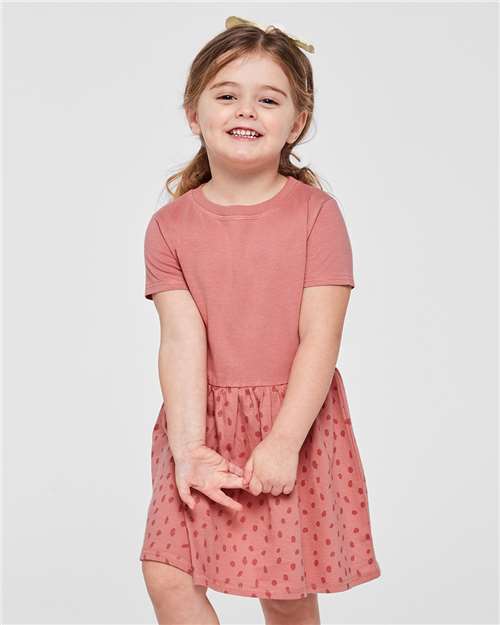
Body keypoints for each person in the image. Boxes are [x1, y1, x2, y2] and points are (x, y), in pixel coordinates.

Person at [139, 15, 381, 625]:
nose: (246, 110)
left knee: (284, 593)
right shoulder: (169, 226)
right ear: (194, 112)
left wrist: (283, 441)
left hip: (291, 420)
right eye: (227, 95)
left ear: (296, 123)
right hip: (200, 426)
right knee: (168, 574)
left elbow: (320, 337)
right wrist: (188, 448)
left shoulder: (317, 215)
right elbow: (181, 339)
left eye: (268, 99)